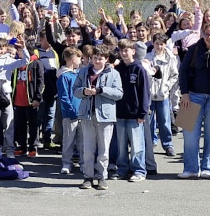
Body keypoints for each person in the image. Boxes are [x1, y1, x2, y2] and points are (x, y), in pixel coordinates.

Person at [73, 47, 122, 190]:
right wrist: (84, 91)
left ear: (106, 59)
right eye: (95, 58)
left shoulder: (113, 73)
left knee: (103, 150)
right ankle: (88, 177)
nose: (97, 61)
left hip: (105, 116)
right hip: (87, 115)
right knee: (88, 149)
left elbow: (119, 93)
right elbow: (75, 90)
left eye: (101, 58)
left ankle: (102, 177)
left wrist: (101, 90)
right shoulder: (84, 72)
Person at [179, 23, 210, 179]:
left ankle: (208, 168)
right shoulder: (194, 48)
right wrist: (184, 93)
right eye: (207, 34)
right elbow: (183, 71)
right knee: (189, 134)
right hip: (192, 95)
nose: (209, 38)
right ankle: (190, 168)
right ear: (202, 34)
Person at [114, 39, 151, 182]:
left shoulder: (139, 69)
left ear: (133, 51)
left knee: (137, 145)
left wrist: (142, 112)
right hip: (120, 113)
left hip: (135, 115)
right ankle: (122, 169)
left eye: (126, 50)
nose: (124, 53)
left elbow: (145, 93)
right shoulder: (118, 69)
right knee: (121, 145)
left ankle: (139, 170)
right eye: (121, 51)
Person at [145, 33, 178, 158]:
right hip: (150, 94)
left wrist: (167, 86)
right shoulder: (148, 57)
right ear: (153, 43)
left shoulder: (170, 58)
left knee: (164, 121)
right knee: (150, 121)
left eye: (161, 44)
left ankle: (168, 144)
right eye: (157, 44)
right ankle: (151, 142)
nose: (159, 46)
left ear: (165, 44)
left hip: (163, 94)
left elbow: (174, 75)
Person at [57, 47, 83, 175]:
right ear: (73, 60)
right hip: (70, 114)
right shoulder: (64, 76)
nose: (81, 61)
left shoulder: (78, 74)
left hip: (81, 113)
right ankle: (66, 163)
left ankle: (84, 163)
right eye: (79, 58)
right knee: (68, 140)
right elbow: (64, 97)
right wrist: (71, 111)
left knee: (82, 141)